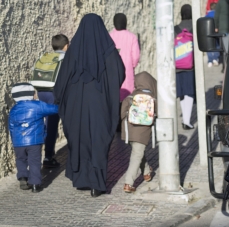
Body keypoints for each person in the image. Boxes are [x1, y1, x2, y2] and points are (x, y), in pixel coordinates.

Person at [54, 13, 125, 198]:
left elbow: (61, 82)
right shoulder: (108, 51)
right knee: (98, 141)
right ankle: (96, 184)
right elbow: (120, 73)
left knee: (79, 140)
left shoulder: (73, 51)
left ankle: (82, 180)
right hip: (99, 105)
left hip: (76, 107)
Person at [9, 83, 58, 193]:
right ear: (31, 94)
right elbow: (54, 109)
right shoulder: (38, 105)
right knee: (34, 161)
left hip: (18, 141)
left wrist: (14, 140)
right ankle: (35, 184)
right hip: (34, 141)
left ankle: (22, 177)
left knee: (20, 159)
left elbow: (11, 127)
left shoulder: (13, 109)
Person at [121, 71, 156, 193]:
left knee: (138, 152)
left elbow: (122, 112)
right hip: (143, 132)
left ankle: (146, 173)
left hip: (129, 131)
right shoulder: (152, 98)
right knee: (137, 155)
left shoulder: (131, 97)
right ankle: (128, 183)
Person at [37, 34, 69, 169]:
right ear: (66, 46)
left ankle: (40, 153)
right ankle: (48, 156)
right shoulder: (65, 58)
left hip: (41, 91)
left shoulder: (47, 57)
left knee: (46, 123)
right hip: (54, 94)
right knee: (54, 124)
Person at [109, 13, 140, 102]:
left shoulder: (109, 36)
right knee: (127, 99)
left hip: (112, 73)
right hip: (127, 72)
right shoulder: (132, 37)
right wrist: (131, 66)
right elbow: (136, 57)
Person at [175, 4, 196, 130]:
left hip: (177, 66)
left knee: (182, 92)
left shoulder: (176, 29)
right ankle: (186, 121)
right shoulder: (194, 27)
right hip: (191, 66)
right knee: (189, 92)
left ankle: (185, 118)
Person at [205, 3, 220, 67]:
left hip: (209, 32)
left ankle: (210, 61)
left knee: (209, 46)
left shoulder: (207, 14)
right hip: (216, 32)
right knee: (217, 45)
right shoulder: (218, 14)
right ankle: (215, 58)